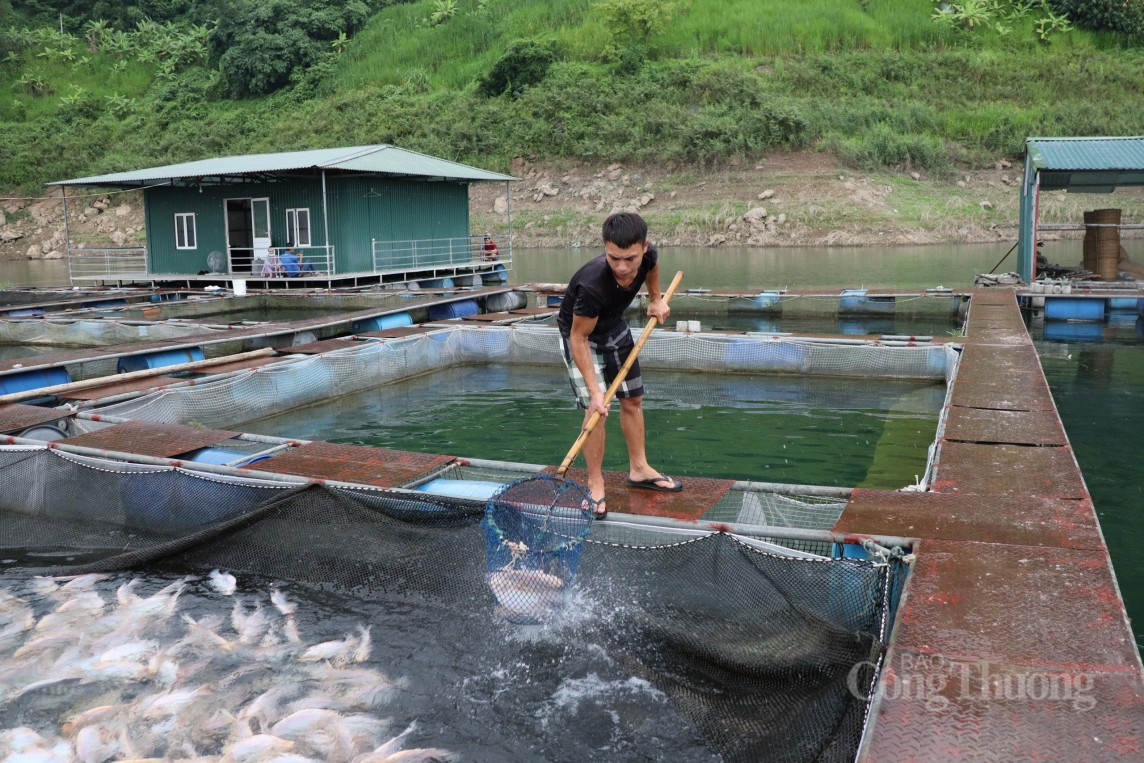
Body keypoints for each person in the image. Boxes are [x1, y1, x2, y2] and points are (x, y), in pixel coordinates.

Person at [556, 212, 683, 520]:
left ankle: (639, 469)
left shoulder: (648, 255)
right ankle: (594, 482)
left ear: (643, 247)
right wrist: (595, 391)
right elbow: (578, 339)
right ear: (605, 248)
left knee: (633, 399)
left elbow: (651, 267)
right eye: (614, 258)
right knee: (596, 410)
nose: (623, 268)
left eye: (630, 258)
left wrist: (655, 299)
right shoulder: (592, 286)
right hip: (582, 340)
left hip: (614, 328)